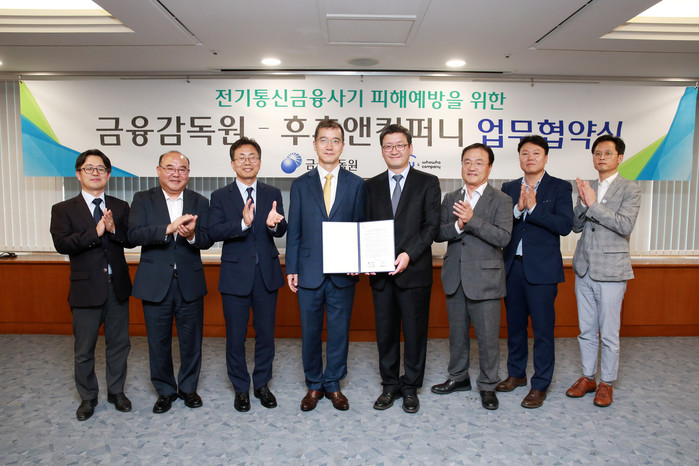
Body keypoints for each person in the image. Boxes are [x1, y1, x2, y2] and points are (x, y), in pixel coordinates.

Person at [286, 119, 367, 411]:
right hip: (308, 271)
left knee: (339, 331)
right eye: (324, 140)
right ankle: (313, 384)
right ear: (315, 144)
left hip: (343, 272)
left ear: (343, 146)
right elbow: (295, 230)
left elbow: (360, 225)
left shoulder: (357, 184)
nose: (329, 146)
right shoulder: (300, 184)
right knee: (310, 332)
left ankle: (333, 383)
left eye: (335, 140)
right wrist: (291, 268)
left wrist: (359, 259)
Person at [50, 149, 133, 421]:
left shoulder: (120, 206)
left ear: (108, 175)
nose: (95, 173)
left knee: (119, 345)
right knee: (84, 349)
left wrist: (113, 229)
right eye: (89, 168)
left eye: (101, 169)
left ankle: (116, 392)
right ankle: (88, 397)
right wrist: (95, 232)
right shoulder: (63, 209)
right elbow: (62, 244)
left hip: (117, 286)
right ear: (78, 174)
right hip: (85, 289)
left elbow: (130, 239)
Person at [128, 150, 212, 414]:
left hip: (189, 281)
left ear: (188, 173)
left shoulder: (200, 201)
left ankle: (188, 388)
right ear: (159, 170)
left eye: (182, 169)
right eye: (170, 168)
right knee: (158, 341)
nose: (176, 174)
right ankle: (165, 390)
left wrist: (191, 236)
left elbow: (208, 239)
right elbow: (133, 235)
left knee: (191, 341)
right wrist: (168, 228)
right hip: (155, 283)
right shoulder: (143, 199)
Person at [365, 124, 440, 414]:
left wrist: (409, 253)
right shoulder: (370, 185)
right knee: (385, 332)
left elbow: (431, 226)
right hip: (380, 274)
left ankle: (410, 387)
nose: (394, 150)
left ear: (410, 148)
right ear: (382, 150)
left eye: (399, 145)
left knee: (414, 331)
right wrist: (365, 258)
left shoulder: (428, 182)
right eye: (388, 146)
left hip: (415, 271)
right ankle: (389, 385)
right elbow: (364, 225)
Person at [431, 143, 512, 411]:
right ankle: (458, 377)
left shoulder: (501, 199)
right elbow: (438, 233)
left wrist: (472, 220)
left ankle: (488, 385)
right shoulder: (450, 197)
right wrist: (457, 225)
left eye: (479, 162)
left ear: (489, 167)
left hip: (486, 280)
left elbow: (503, 237)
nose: (472, 167)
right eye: (467, 161)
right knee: (457, 335)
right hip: (455, 276)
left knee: (488, 338)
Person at [208, 137, 287, 412]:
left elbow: (281, 227)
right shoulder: (220, 196)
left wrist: (274, 225)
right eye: (241, 157)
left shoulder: (272, 192)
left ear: (260, 162)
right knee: (236, 336)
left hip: (266, 274)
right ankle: (241, 388)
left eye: (252, 157)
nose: (247, 162)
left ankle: (262, 384)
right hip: (235, 276)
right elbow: (213, 231)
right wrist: (242, 223)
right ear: (233, 164)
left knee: (266, 335)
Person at [498, 135, 573, 408]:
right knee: (515, 327)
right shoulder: (508, 188)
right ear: (519, 157)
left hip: (542, 271)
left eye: (536, 153)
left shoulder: (559, 187)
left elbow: (565, 225)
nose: (530, 158)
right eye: (525, 153)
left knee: (542, 330)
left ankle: (540, 384)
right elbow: (500, 224)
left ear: (546, 158)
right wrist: (518, 210)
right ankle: (516, 373)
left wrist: (534, 208)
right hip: (512, 268)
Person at [565, 135, 641, 407]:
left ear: (619, 157)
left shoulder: (630, 189)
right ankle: (588, 377)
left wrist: (594, 204)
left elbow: (625, 225)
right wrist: (583, 203)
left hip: (611, 271)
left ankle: (606, 382)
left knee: (608, 333)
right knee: (586, 329)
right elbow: (575, 226)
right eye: (597, 153)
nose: (601, 157)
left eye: (607, 153)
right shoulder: (588, 186)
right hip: (584, 268)